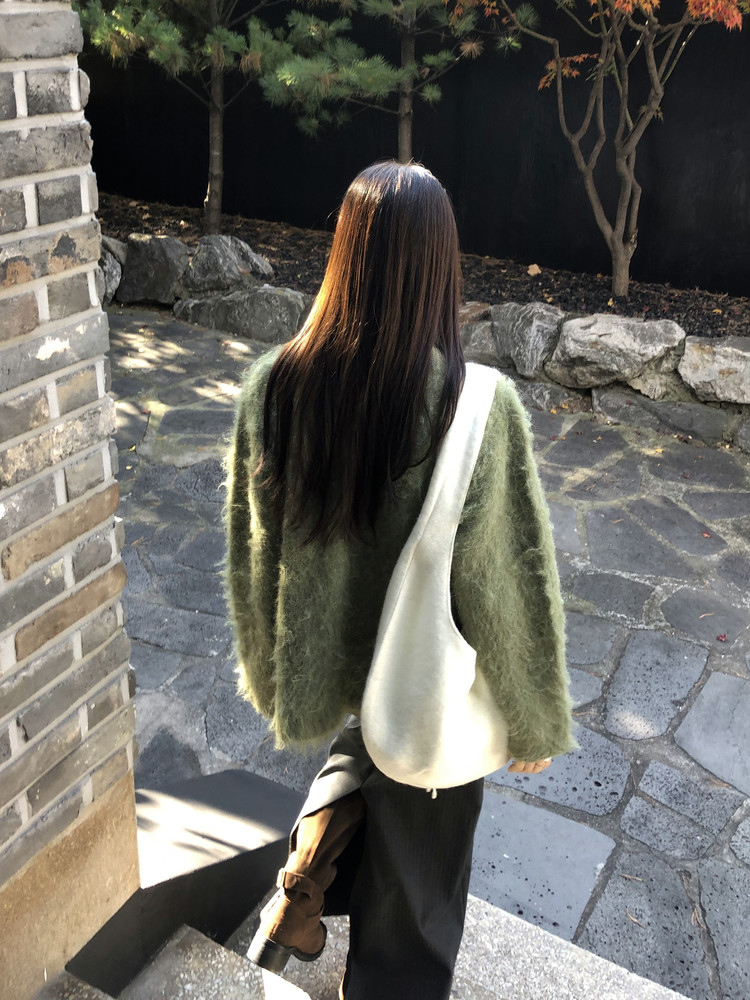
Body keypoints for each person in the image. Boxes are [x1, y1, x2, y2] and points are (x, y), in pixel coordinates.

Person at [224, 161, 575, 999]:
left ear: (343, 253)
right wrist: (533, 717)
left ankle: (311, 859)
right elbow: (507, 583)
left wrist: (272, 673)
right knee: (424, 862)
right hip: (425, 667)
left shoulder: (274, 386)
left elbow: (252, 553)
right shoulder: (475, 405)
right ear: (440, 266)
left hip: (330, 656)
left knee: (372, 731)